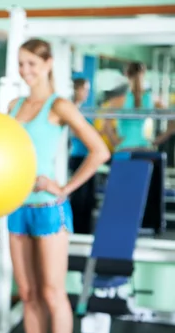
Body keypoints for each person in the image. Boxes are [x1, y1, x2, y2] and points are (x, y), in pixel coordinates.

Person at [0, 38, 110, 333]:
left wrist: (64, 187)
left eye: (31, 63)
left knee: (52, 293)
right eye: (21, 64)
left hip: (49, 209)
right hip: (17, 207)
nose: (25, 70)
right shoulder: (14, 106)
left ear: (47, 64)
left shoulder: (58, 105)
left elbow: (99, 150)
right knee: (27, 293)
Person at [109, 62, 173, 152]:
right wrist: (158, 140)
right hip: (145, 147)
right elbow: (172, 118)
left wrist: (115, 142)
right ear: (144, 74)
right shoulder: (151, 98)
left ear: (126, 74)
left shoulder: (118, 100)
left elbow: (106, 125)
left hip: (124, 147)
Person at [68, 78, 97, 234]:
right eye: (84, 89)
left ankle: (84, 231)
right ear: (76, 90)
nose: (86, 93)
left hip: (89, 156)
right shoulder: (70, 110)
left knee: (88, 200)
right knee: (80, 198)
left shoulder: (82, 111)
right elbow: (75, 133)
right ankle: (77, 231)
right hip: (77, 157)